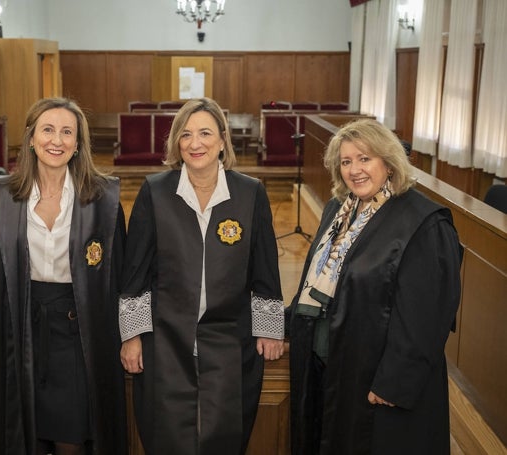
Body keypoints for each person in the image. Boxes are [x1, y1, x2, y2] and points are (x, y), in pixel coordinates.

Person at [119, 97, 285, 455]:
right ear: (176, 143)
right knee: (167, 435)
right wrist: (132, 335)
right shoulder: (155, 191)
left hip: (229, 338)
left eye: (206, 133)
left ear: (223, 140)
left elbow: (265, 268)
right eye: (186, 135)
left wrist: (269, 329)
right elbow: (136, 271)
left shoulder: (250, 192)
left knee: (223, 435)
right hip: (166, 338)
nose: (196, 143)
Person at [286, 118, 462, 455]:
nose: (355, 170)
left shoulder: (423, 222)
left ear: (389, 161)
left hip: (379, 380)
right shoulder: (339, 209)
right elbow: (317, 279)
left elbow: (427, 316)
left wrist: (394, 381)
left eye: (365, 158)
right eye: (346, 161)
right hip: (335, 362)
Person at [0, 97, 127, 455]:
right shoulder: (3, 198)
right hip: (17, 325)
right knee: (24, 433)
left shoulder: (102, 199)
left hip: (77, 329)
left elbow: (122, 278)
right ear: (31, 138)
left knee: (72, 435)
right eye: (48, 130)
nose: (57, 140)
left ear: (78, 142)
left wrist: (130, 337)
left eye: (67, 132)